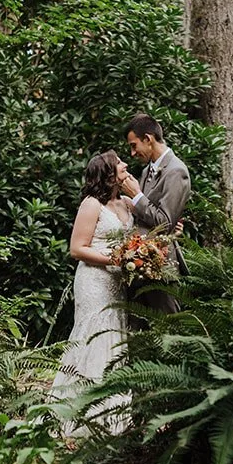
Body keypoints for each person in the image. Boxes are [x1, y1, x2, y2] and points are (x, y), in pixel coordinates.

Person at [48, 150, 133, 436]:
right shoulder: (91, 205)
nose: (125, 165)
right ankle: (80, 413)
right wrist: (115, 260)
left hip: (118, 284)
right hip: (95, 282)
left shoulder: (127, 204)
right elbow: (77, 249)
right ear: (108, 173)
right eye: (120, 163)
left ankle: (114, 413)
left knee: (115, 337)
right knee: (92, 336)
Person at [119, 113, 191, 319]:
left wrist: (136, 196)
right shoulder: (145, 171)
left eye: (134, 146)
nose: (132, 153)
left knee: (167, 331)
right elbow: (144, 215)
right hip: (140, 266)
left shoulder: (177, 171)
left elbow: (165, 222)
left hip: (161, 268)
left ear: (148, 139)